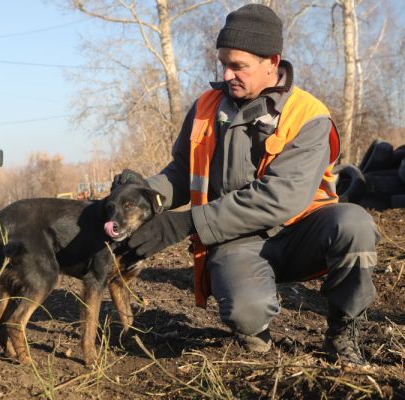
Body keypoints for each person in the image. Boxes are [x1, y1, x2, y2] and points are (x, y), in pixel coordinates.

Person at [118, 4, 380, 366]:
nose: (227, 74)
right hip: (237, 238)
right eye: (223, 63)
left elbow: (280, 198)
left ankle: (342, 333)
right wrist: (141, 193)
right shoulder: (206, 107)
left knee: (354, 223)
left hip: (301, 231)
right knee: (245, 311)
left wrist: (187, 222)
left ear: (272, 62)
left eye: (238, 65)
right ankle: (257, 342)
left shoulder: (309, 115)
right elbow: (182, 171)